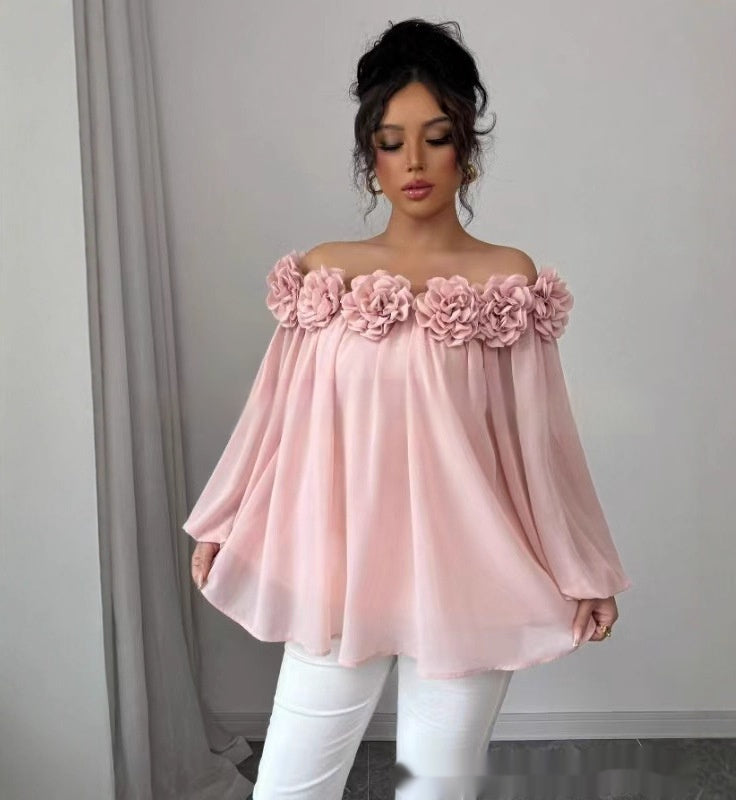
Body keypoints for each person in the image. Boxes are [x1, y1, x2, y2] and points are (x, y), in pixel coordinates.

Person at [183, 17, 632, 800]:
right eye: (392, 143)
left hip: (471, 574)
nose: (415, 162)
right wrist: (222, 518)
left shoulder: (506, 280)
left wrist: (583, 567)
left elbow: (540, 445)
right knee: (288, 788)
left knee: (437, 789)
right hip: (340, 569)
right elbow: (275, 416)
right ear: (371, 159)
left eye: (437, 137)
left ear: (467, 147)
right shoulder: (328, 275)